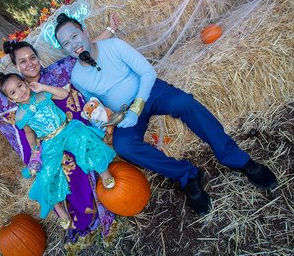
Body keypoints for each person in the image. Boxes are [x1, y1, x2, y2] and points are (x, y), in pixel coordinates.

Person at [54, 13, 278, 216]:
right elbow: (94, 103)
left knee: (183, 102)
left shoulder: (113, 46)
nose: (73, 44)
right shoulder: (77, 77)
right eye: (66, 43)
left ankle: (236, 159)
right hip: (124, 113)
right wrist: (104, 118)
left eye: (74, 36)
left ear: (84, 31)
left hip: (149, 91)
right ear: (63, 50)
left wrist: (136, 108)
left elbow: (146, 72)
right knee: (124, 147)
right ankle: (187, 175)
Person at [0, 14, 120, 243]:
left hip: (71, 131)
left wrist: (110, 30)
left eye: (32, 57)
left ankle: (107, 192)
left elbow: (84, 52)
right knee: (57, 172)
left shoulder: (56, 72)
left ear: (38, 57)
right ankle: (78, 218)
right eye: (22, 61)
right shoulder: (10, 93)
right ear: (15, 66)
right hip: (50, 146)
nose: (29, 63)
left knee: (84, 150)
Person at [0, 73, 116, 228]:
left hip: (66, 129)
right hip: (49, 142)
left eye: (20, 85)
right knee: (46, 172)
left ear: (26, 83)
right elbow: (29, 133)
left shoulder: (41, 94)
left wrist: (43, 87)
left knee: (84, 139)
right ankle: (58, 207)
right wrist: (34, 149)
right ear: (11, 99)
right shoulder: (20, 116)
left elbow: (64, 94)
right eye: (13, 92)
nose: (19, 92)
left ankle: (103, 171)